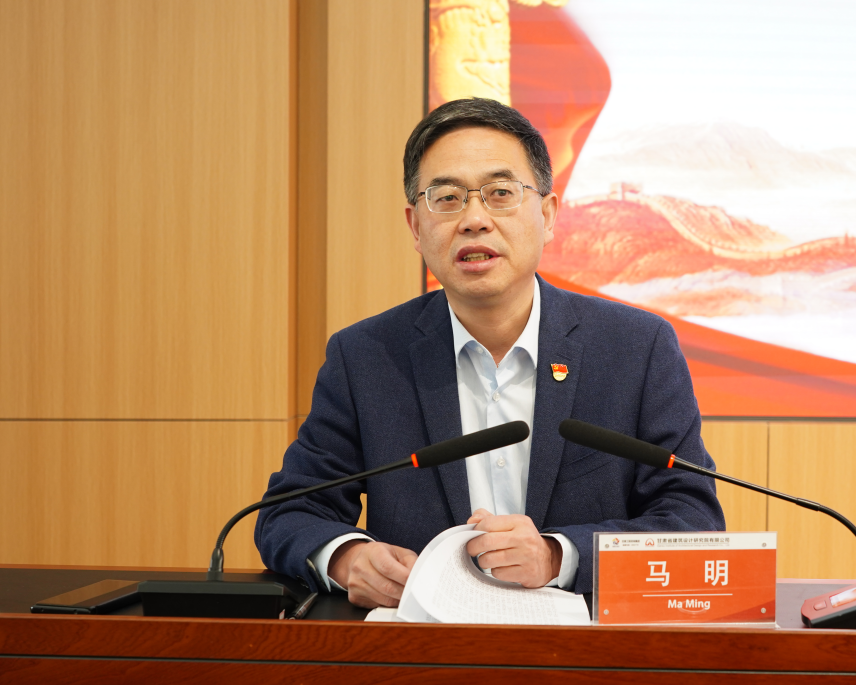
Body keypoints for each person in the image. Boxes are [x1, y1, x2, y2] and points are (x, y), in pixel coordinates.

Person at [255, 98, 724, 609]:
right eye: (447, 198)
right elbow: (289, 512)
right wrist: (347, 558)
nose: (474, 219)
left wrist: (558, 556)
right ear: (415, 227)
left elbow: (692, 519)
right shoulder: (366, 357)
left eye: (500, 193)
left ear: (547, 215)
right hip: (424, 646)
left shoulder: (636, 348)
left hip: (583, 646)